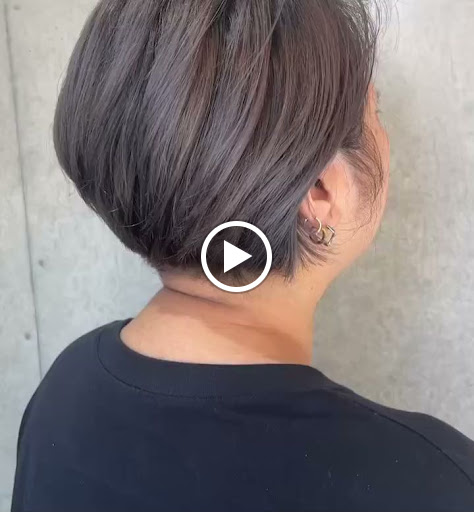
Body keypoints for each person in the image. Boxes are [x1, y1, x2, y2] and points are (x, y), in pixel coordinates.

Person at [11, 0, 474, 511]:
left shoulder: (65, 391)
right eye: (376, 113)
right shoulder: (433, 484)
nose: (386, 138)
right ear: (321, 191)